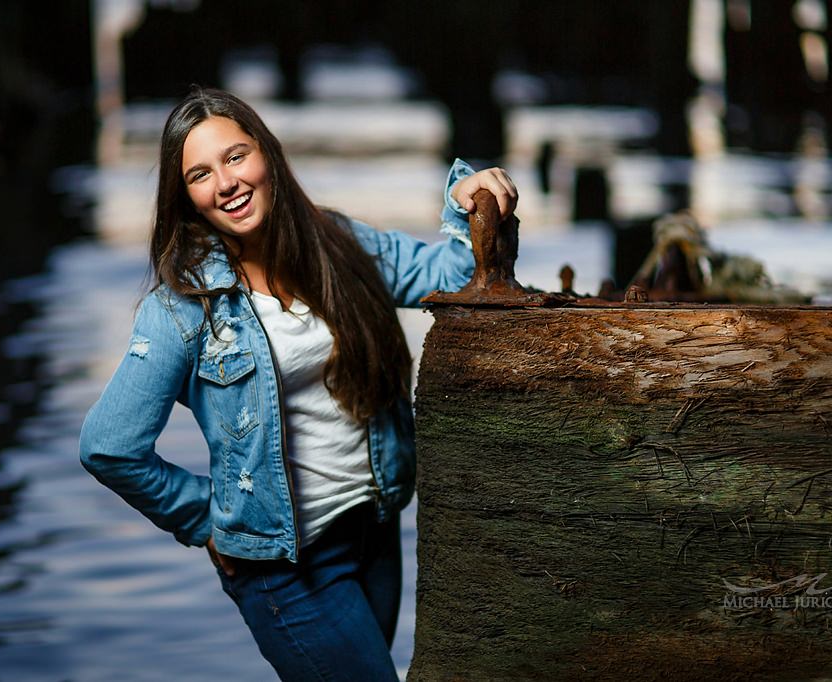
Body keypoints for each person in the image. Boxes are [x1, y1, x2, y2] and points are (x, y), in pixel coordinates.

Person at [78, 86, 518, 681]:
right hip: (286, 567)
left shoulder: (337, 244)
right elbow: (109, 445)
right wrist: (208, 519)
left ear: (267, 154)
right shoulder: (183, 307)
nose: (226, 183)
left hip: (373, 531)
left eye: (235, 157)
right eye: (200, 174)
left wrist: (465, 198)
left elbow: (454, 274)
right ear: (186, 198)